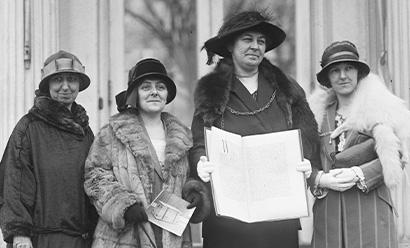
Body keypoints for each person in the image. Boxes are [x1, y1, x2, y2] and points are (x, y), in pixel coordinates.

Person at [189, 10, 321, 248]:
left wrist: (306, 161)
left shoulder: (287, 88)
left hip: (278, 216)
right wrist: (201, 161)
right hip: (228, 220)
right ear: (230, 45)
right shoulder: (211, 90)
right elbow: (199, 142)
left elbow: (307, 136)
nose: (255, 46)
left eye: (261, 41)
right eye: (247, 40)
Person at [84, 58, 210, 248]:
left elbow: (190, 176)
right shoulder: (112, 132)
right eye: (146, 87)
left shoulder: (182, 136)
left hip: (170, 236)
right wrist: (123, 205)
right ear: (135, 94)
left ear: (167, 95)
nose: (154, 92)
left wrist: (193, 192)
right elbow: (95, 176)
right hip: (124, 237)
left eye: (160, 87)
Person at [308, 40, 407, 248]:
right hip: (329, 213)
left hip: (370, 209)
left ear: (358, 73)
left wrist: (358, 174)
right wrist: (320, 179)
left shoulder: (379, 108)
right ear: (327, 78)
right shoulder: (316, 115)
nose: (343, 76)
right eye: (335, 71)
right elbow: (306, 162)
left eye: (349, 68)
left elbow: (396, 155)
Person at [0, 50, 97, 247]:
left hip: (82, 241)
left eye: (71, 79)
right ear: (47, 85)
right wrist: (20, 234)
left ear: (79, 84)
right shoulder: (29, 127)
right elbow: (13, 184)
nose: (65, 87)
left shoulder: (86, 132)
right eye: (57, 80)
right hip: (40, 240)